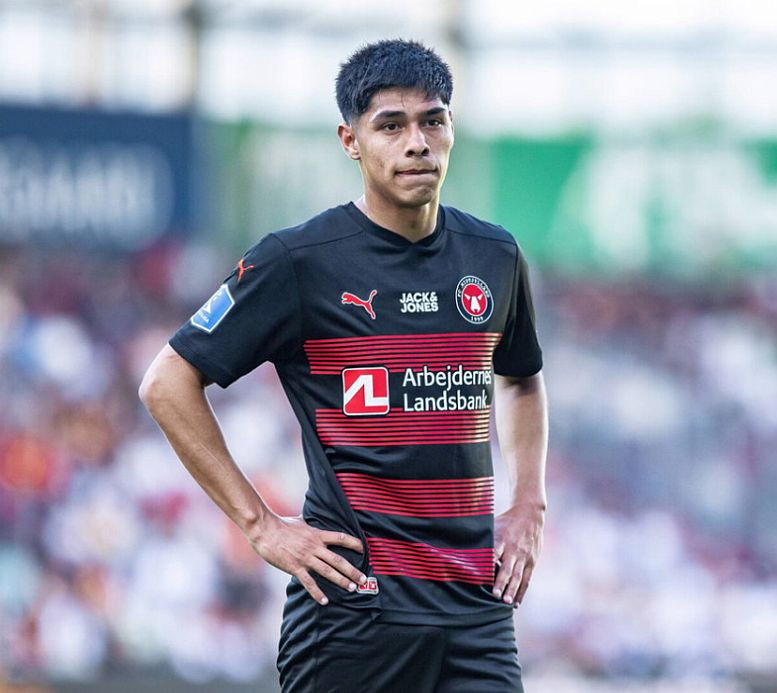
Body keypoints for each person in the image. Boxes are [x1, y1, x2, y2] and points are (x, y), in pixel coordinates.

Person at [139, 39, 548, 692]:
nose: (416, 143)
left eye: (432, 121)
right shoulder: (298, 262)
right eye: (391, 126)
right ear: (350, 140)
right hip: (354, 615)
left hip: (477, 612)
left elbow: (520, 376)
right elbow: (167, 381)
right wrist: (260, 526)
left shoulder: (494, 254)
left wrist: (528, 501)